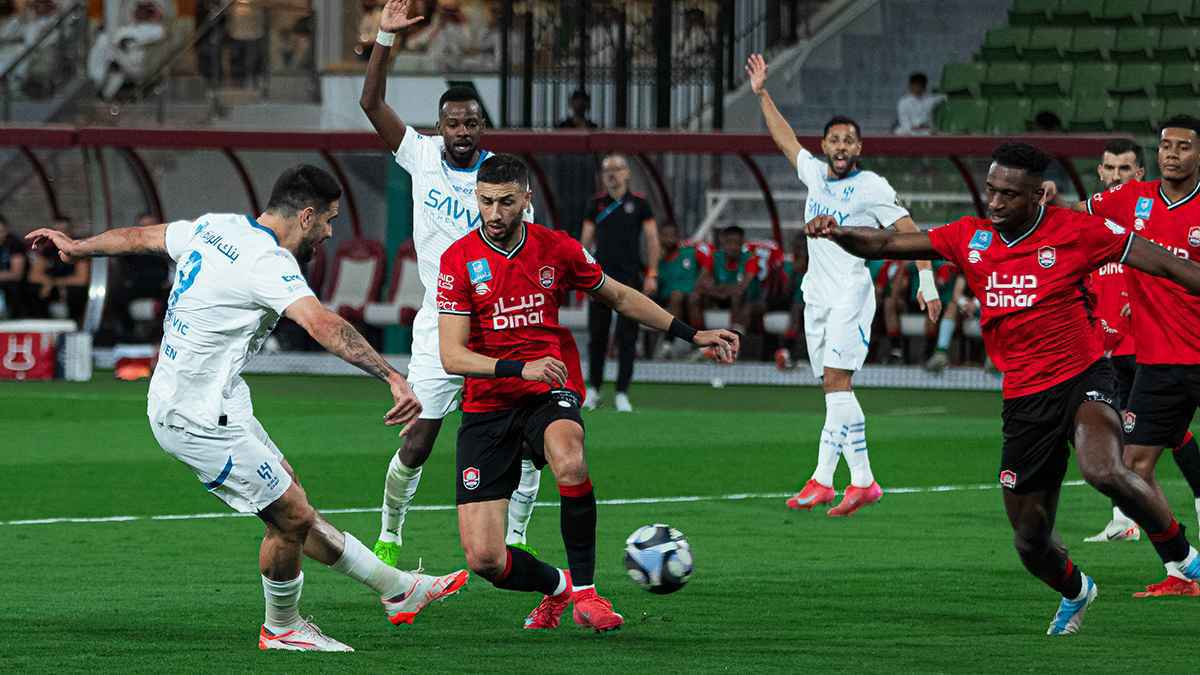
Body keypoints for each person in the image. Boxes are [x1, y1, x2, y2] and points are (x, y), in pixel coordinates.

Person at [24, 165, 468, 652]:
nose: (328, 232)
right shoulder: (267, 262)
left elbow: (139, 237)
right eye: (328, 220)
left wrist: (78, 246)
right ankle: (283, 628)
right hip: (195, 417)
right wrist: (391, 376)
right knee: (290, 516)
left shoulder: (216, 226)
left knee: (290, 500)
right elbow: (322, 324)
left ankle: (397, 588)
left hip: (218, 399)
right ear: (306, 215)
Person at [807, 141, 1200, 635]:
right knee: (1030, 542)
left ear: (1037, 196)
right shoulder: (969, 237)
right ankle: (1077, 590)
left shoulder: (1077, 230)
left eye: (1007, 195)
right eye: (990, 190)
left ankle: (1184, 557)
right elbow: (886, 245)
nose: (994, 202)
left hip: (1082, 377)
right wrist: (839, 232)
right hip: (1024, 401)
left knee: (1104, 469)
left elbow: (1164, 263)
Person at [436, 154, 739, 633]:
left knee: (570, 458)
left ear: (526, 199)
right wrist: (520, 367)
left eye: (506, 202)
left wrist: (691, 333)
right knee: (486, 559)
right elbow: (452, 356)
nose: (494, 213)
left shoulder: (557, 247)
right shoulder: (457, 260)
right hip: (488, 404)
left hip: (548, 389)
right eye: (486, 201)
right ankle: (558, 587)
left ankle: (587, 593)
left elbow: (619, 296)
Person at [359, 0, 543, 568]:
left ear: (482, 127)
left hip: (500, 324)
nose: (461, 132)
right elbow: (371, 103)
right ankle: (390, 532)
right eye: (453, 123)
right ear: (440, 126)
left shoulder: (504, 180)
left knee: (528, 439)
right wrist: (385, 38)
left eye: (470, 124)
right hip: (440, 321)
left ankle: (517, 535)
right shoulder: (420, 156)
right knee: (418, 439)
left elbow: (528, 254)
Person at [747, 53, 942, 516]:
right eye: (834, 140)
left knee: (838, 382)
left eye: (848, 141)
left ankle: (828, 479)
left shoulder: (872, 186)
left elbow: (910, 231)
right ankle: (858, 481)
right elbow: (784, 138)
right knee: (835, 390)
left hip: (851, 295)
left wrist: (927, 280)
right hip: (816, 295)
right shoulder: (814, 174)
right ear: (825, 145)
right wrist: (762, 93)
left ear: (859, 148)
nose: (840, 147)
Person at [1065, 118, 1200, 595]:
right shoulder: (1131, 198)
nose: (1173, 154)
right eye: (1166, 145)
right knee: (1133, 467)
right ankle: (1181, 568)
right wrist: (1044, 206)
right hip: (1159, 362)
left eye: (1184, 146)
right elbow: (1074, 215)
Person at [580, 153, 659, 413]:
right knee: (597, 336)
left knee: (628, 336)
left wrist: (652, 273)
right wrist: (583, 275)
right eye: (607, 170)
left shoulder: (640, 204)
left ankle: (622, 392)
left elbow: (652, 240)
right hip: (600, 279)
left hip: (630, 279)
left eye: (617, 169)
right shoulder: (595, 204)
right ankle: (594, 389)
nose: (612, 174)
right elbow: (585, 242)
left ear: (627, 173)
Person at [653, 221, 705, 359]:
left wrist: (699, 287)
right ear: (660, 237)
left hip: (691, 297)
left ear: (678, 237)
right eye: (665, 235)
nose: (669, 239)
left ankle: (699, 346)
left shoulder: (690, 253)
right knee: (677, 296)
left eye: (672, 235)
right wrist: (657, 261)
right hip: (666, 298)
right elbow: (653, 284)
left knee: (692, 299)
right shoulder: (656, 258)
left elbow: (708, 268)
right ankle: (668, 343)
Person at [698, 225, 761, 332]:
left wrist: (721, 288)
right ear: (723, 242)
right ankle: (697, 335)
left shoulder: (750, 259)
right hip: (719, 296)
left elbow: (743, 287)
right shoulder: (714, 256)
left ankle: (735, 334)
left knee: (737, 297)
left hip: (746, 300)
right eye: (729, 242)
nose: (733, 247)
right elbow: (701, 281)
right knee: (695, 296)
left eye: (737, 243)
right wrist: (716, 291)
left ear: (742, 243)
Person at [28, 218, 89, 324]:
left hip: (70, 290)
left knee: (76, 292)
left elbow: (81, 279)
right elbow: (33, 275)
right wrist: (48, 282)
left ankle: (76, 324)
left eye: (63, 232)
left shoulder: (78, 251)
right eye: (56, 233)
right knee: (34, 289)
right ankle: (39, 322)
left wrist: (55, 283)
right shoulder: (47, 251)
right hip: (52, 288)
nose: (59, 236)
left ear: (70, 232)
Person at [0, 214, 28, 318]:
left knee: (12, 287)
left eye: (1, 231)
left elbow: (16, 274)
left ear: (6, 230)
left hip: (14, 285)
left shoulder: (15, 244)